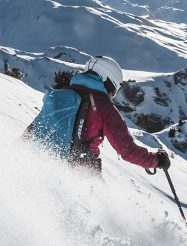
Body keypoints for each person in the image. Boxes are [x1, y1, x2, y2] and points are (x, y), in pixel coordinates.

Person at [27, 55, 171, 175]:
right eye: (113, 89)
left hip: (38, 161)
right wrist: (157, 160)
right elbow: (128, 151)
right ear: (107, 80)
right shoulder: (104, 107)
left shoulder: (61, 93)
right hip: (78, 172)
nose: (112, 95)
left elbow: (34, 128)